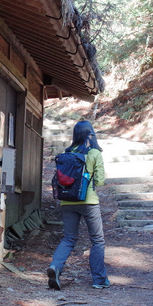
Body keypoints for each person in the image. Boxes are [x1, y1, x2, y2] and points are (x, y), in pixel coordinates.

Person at [47, 120, 109, 291]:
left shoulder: (67, 153)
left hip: (67, 201)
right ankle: (99, 280)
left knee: (68, 238)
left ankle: (55, 266)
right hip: (88, 202)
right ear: (91, 134)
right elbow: (100, 181)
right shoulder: (94, 153)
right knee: (97, 241)